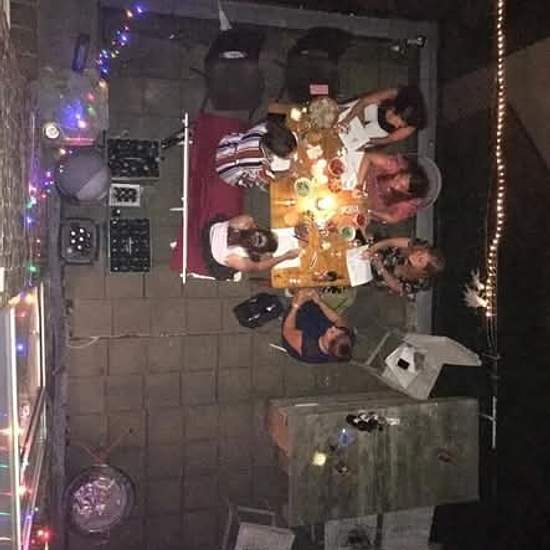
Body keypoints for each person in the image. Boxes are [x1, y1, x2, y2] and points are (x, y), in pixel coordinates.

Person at [203, 214, 299, 279]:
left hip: (216, 230)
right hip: (211, 250)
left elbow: (254, 227)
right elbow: (258, 267)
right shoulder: (236, 259)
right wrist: (285, 256)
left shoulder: (246, 220)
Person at [215, 118, 297, 190]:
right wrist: (288, 172)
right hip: (227, 168)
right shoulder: (258, 163)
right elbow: (271, 178)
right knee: (263, 181)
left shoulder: (265, 127)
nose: (292, 157)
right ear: (273, 152)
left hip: (229, 146)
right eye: (288, 156)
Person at [338, 85, 426, 149]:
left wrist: (364, 140)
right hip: (372, 107)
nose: (396, 127)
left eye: (400, 126)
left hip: (381, 130)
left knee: (352, 142)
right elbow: (364, 101)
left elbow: (387, 139)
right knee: (341, 116)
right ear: (396, 110)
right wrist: (347, 120)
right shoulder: (394, 93)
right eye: (397, 123)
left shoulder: (411, 125)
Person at [357, 151, 432, 224]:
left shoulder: (405, 203)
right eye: (399, 177)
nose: (396, 184)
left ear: (406, 193)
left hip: (359, 205)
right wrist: (359, 185)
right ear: (403, 171)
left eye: (402, 187)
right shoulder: (393, 165)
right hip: (359, 175)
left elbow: (392, 218)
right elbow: (369, 156)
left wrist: (368, 210)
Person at [282, 289, 354, 364]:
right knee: (347, 293)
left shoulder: (308, 346)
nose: (333, 327)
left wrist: (296, 306)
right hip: (316, 314)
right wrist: (319, 302)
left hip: (294, 324)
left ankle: (291, 292)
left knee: (303, 289)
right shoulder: (345, 336)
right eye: (337, 329)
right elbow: (337, 319)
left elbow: (287, 330)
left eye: (332, 332)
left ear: (327, 344)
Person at [362, 237, 445, 299]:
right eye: (420, 252)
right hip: (380, 250)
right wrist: (372, 249)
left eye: (420, 260)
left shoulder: (419, 282)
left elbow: (396, 286)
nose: (416, 256)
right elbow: (391, 242)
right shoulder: (420, 244)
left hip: (377, 275)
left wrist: (381, 268)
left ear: (422, 271)